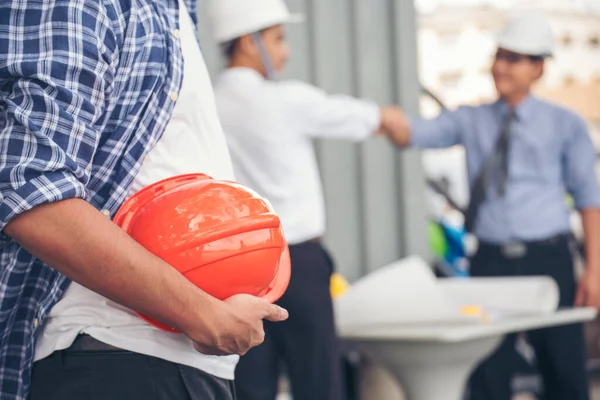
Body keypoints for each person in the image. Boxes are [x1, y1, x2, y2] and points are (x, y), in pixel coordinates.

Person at [0, 1, 289, 399]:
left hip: (168, 358)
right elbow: (32, 192)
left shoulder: (172, 12)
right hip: (117, 356)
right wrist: (202, 313)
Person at [384, 12, 600, 400]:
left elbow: (589, 200)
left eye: (513, 58)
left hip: (548, 260)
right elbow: (414, 134)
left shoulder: (566, 125)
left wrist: (595, 272)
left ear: (538, 68)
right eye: (499, 56)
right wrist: (382, 119)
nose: (500, 66)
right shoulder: (471, 120)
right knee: (488, 372)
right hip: (491, 262)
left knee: (563, 370)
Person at [208, 0, 405, 399]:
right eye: (278, 39)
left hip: (242, 270)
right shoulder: (285, 100)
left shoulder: (211, 104)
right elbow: (361, 117)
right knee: (318, 382)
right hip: (298, 262)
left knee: (251, 383)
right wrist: (391, 118)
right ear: (249, 42)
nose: (286, 52)